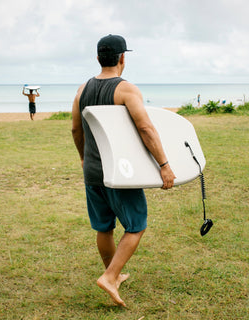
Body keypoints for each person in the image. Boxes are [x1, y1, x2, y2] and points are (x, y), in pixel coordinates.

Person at [71, 34, 176, 307]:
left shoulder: (82, 90)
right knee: (136, 225)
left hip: (93, 171)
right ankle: (110, 275)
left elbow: (75, 128)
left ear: (98, 58)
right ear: (122, 58)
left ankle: (113, 275)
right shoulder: (127, 90)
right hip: (121, 173)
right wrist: (164, 165)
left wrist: (83, 158)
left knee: (104, 227)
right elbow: (145, 128)